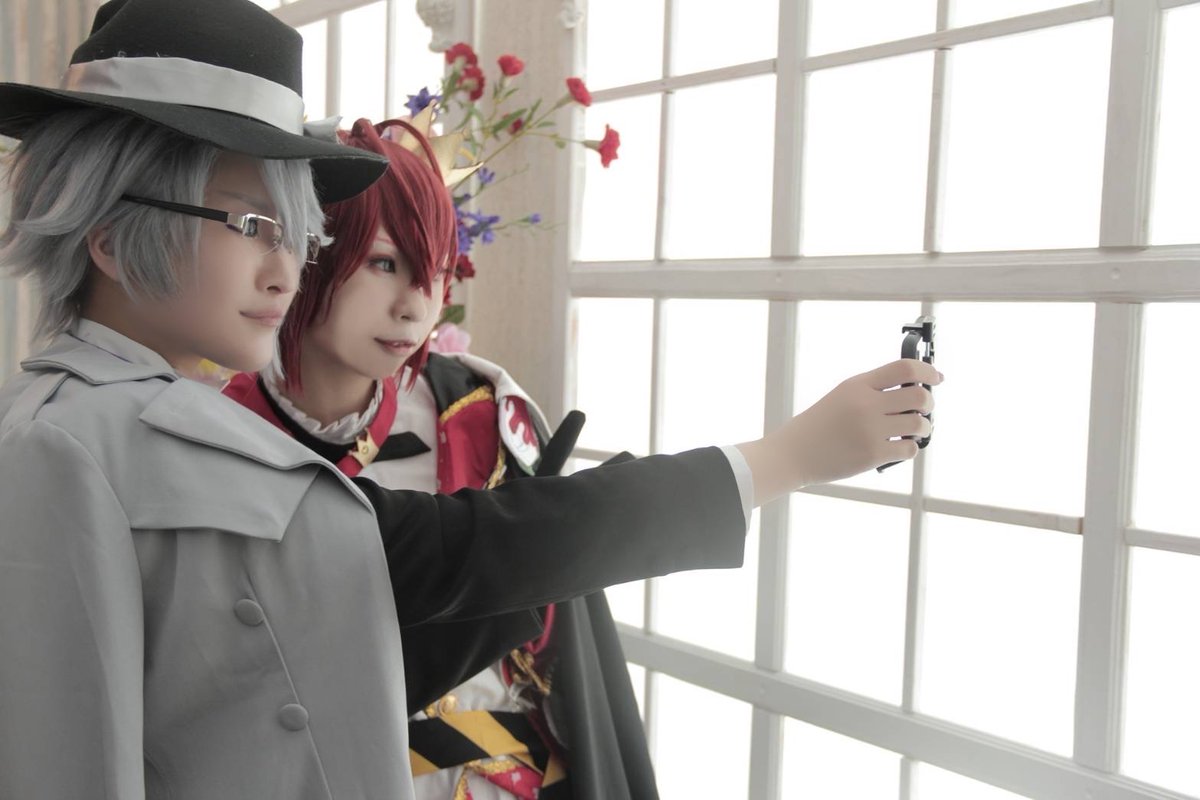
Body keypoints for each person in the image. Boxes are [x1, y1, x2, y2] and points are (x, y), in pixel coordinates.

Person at [0, 1, 939, 798]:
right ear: (110, 238)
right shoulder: (72, 447)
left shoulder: (149, 425)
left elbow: (284, 675)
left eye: (298, 234)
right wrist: (788, 457)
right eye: (253, 224)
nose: (285, 270)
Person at [223, 116, 662, 800]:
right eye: (383, 263)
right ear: (305, 251)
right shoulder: (217, 429)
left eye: (434, 271)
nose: (414, 306)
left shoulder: (482, 413)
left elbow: (558, 648)